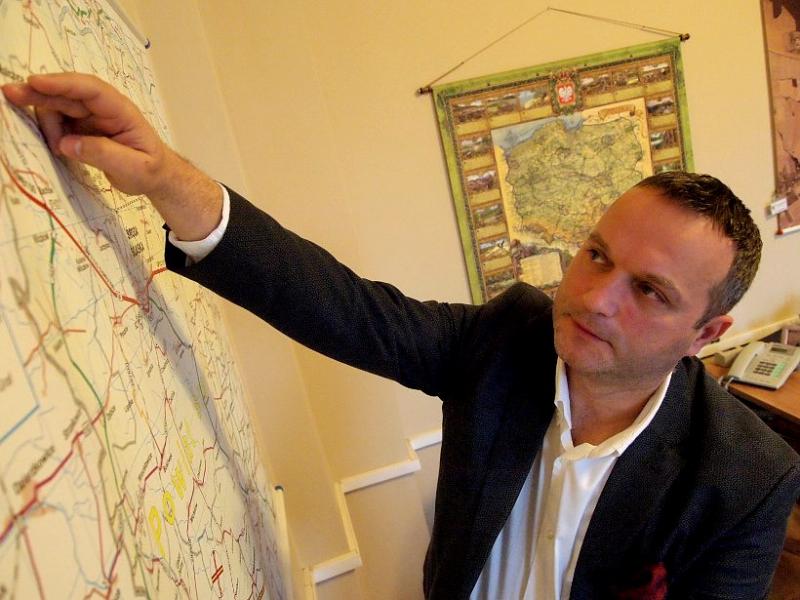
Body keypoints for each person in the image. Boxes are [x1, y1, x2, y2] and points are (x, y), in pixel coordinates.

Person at [3, 73, 799, 600]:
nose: (594, 297)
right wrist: (166, 178)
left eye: (649, 292)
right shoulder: (509, 337)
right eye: (596, 254)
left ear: (706, 332)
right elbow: (347, 310)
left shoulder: (749, 477)